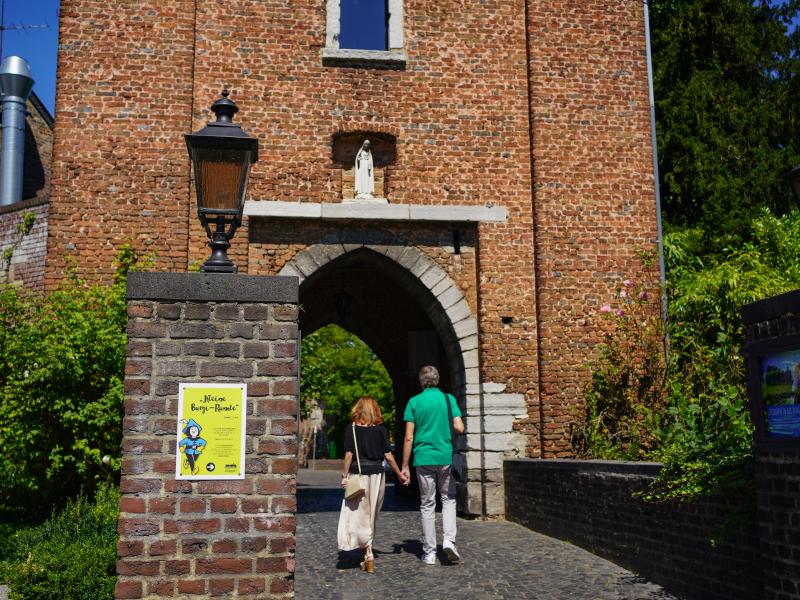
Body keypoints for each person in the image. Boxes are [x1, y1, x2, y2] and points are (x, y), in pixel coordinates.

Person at [401, 365, 464, 565]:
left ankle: (429, 553)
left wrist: (404, 465)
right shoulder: (448, 399)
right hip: (445, 457)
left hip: (423, 459)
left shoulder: (414, 402)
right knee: (448, 499)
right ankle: (448, 541)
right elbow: (459, 426)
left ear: (421, 381)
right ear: (437, 380)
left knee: (427, 504)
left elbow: (409, 437)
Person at [338, 396, 408, 574]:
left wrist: (345, 476)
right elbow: (388, 456)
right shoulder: (381, 430)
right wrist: (400, 473)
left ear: (358, 409)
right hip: (377, 476)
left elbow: (348, 455)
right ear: (374, 410)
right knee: (371, 515)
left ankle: (367, 552)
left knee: (358, 514)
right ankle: (369, 553)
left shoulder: (351, 429)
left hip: (357, 476)